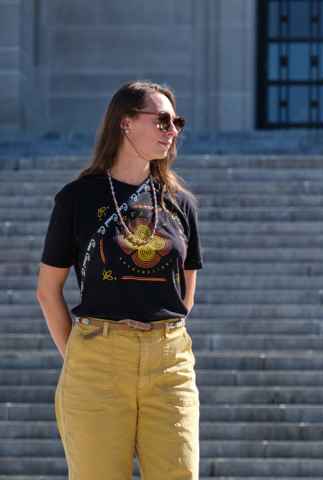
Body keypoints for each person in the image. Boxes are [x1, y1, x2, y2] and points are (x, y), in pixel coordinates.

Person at [36, 81, 202, 480]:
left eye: (176, 122)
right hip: (98, 359)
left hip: (169, 362)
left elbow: (187, 292)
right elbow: (48, 290)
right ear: (125, 123)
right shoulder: (77, 198)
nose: (172, 130)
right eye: (161, 121)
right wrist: (81, 354)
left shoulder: (180, 203)